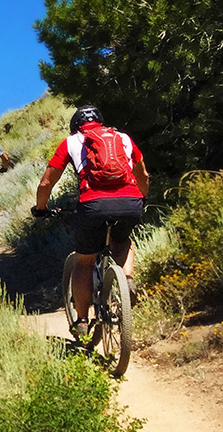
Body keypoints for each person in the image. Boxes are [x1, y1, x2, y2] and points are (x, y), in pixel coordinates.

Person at [31, 105, 150, 339]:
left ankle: (82, 320)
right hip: (130, 201)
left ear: (75, 125)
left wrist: (41, 208)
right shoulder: (123, 138)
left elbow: (46, 183)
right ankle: (127, 280)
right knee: (123, 241)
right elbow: (143, 175)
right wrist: (141, 200)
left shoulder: (71, 142)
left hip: (93, 204)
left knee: (85, 261)